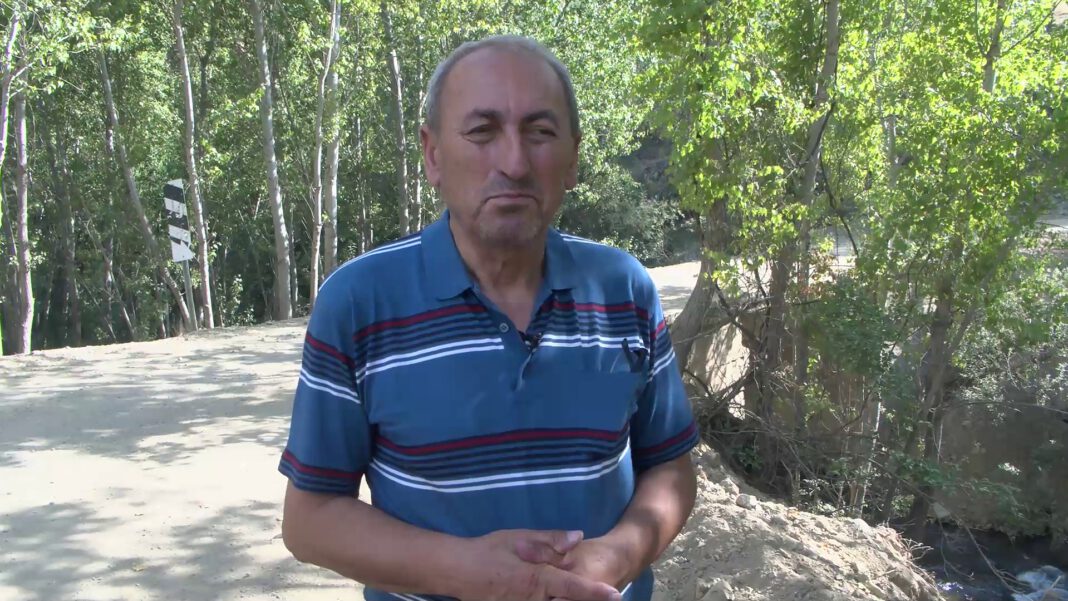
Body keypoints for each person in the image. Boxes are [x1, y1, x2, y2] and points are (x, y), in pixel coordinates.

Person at [278, 35, 699, 601]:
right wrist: (468, 573)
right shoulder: (358, 305)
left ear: (573, 157)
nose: (514, 162)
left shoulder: (624, 292)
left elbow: (670, 467)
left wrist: (616, 557)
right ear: (432, 154)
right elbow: (310, 518)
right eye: (482, 131)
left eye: (540, 132)